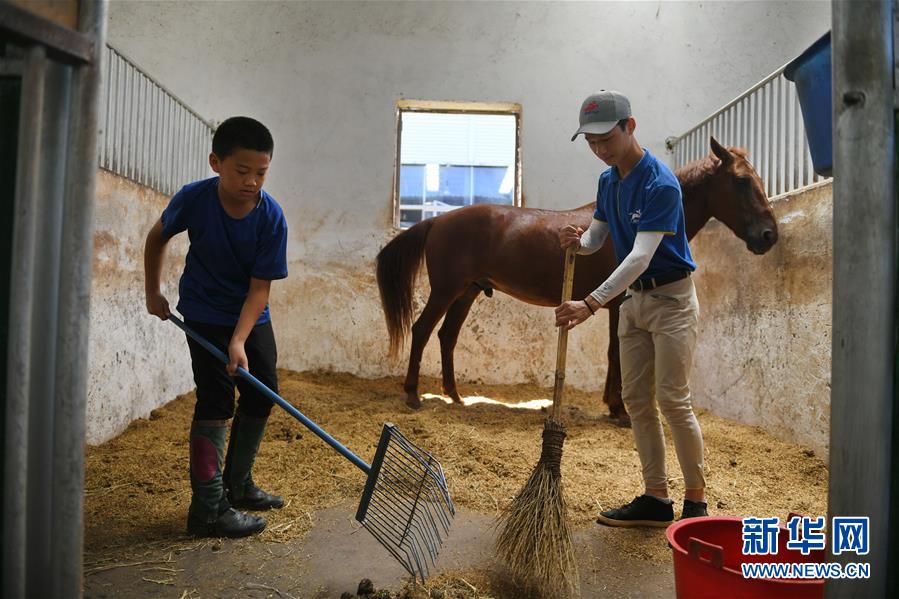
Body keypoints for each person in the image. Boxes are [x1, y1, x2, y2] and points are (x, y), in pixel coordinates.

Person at [555, 91, 708, 527]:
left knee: (673, 400)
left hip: (672, 300)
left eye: (606, 139)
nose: (600, 149)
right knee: (637, 400)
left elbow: (640, 256)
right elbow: (597, 237)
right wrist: (579, 242)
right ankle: (656, 498)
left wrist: (591, 303)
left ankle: (695, 501)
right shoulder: (608, 182)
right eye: (591, 142)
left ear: (630, 126)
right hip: (634, 301)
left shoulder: (661, 184)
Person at [144, 116, 289, 538]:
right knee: (216, 400)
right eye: (242, 171)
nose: (251, 182)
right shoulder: (195, 198)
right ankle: (208, 509)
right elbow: (157, 237)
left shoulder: (271, 217)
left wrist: (239, 340)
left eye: (261, 173)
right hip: (204, 313)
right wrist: (153, 291)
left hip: (250, 315)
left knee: (263, 392)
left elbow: (260, 289)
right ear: (216, 163)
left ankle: (238, 484)